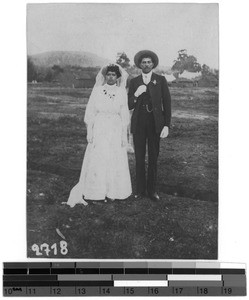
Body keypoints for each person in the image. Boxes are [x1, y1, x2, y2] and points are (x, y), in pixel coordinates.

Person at [67, 63, 132, 207]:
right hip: (101, 127)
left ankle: (113, 192)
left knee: (114, 158)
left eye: (114, 75)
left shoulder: (121, 92)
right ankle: (96, 193)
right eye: (108, 74)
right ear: (105, 76)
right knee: (100, 157)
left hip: (115, 127)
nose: (110, 77)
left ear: (117, 77)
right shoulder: (97, 91)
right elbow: (90, 112)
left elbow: (124, 114)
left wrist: (123, 135)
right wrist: (90, 131)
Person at [128, 50, 171, 202]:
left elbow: (167, 103)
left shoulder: (160, 80)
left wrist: (166, 125)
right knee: (139, 158)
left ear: (153, 64)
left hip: (155, 124)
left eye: (148, 62)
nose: (146, 64)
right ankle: (140, 190)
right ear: (139, 65)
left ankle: (152, 190)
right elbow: (128, 105)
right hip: (139, 123)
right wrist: (136, 94)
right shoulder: (134, 81)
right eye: (143, 62)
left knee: (153, 157)